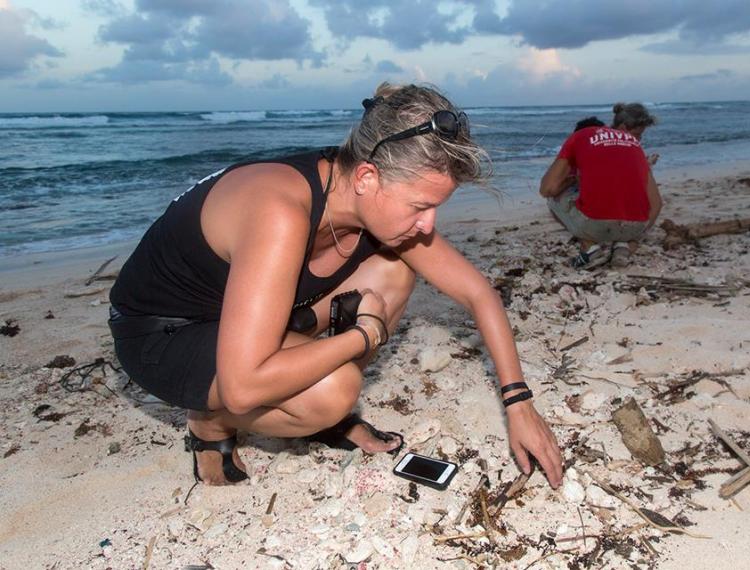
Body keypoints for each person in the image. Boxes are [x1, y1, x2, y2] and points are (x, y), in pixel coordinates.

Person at [108, 83, 563, 489]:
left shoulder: (358, 189)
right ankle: (211, 422)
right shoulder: (280, 211)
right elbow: (243, 387)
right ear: (367, 177)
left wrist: (518, 403)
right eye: (420, 206)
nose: (429, 225)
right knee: (334, 391)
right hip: (164, 334)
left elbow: (477, 293)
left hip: (248, 315)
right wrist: (363, 335)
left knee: (393, 270)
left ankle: (308, 404)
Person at [539, 103, 663, 269]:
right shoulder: (634, 144)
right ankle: (626, 245)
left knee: (553, 199)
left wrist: (572, 179)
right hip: (634, 227)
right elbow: (657, 203)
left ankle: (589, 246)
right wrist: (637, 236)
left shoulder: (579, 137)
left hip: (595, 223)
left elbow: (547, 189)